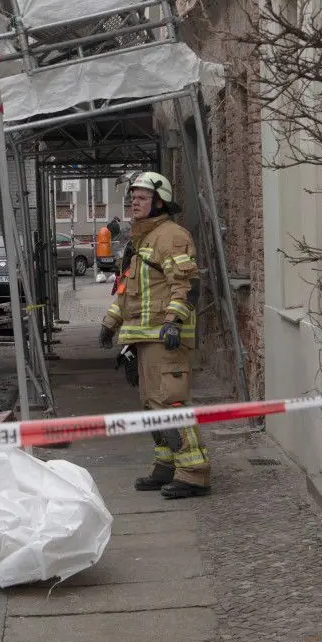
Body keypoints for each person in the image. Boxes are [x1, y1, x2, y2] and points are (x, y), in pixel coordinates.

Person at [99, 172, 209, 499]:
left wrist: (173, 321)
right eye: (132, 197)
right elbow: (127, 292)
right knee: (151, 405)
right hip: (144, 339)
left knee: (170, 402)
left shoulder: (171, 236)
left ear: (160, 202)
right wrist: (110, 323)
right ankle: (166, 465)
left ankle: (194, 473)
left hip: (165, 337)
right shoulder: (142, 240)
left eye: (142, 197)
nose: (134, 202)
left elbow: (185, 284)